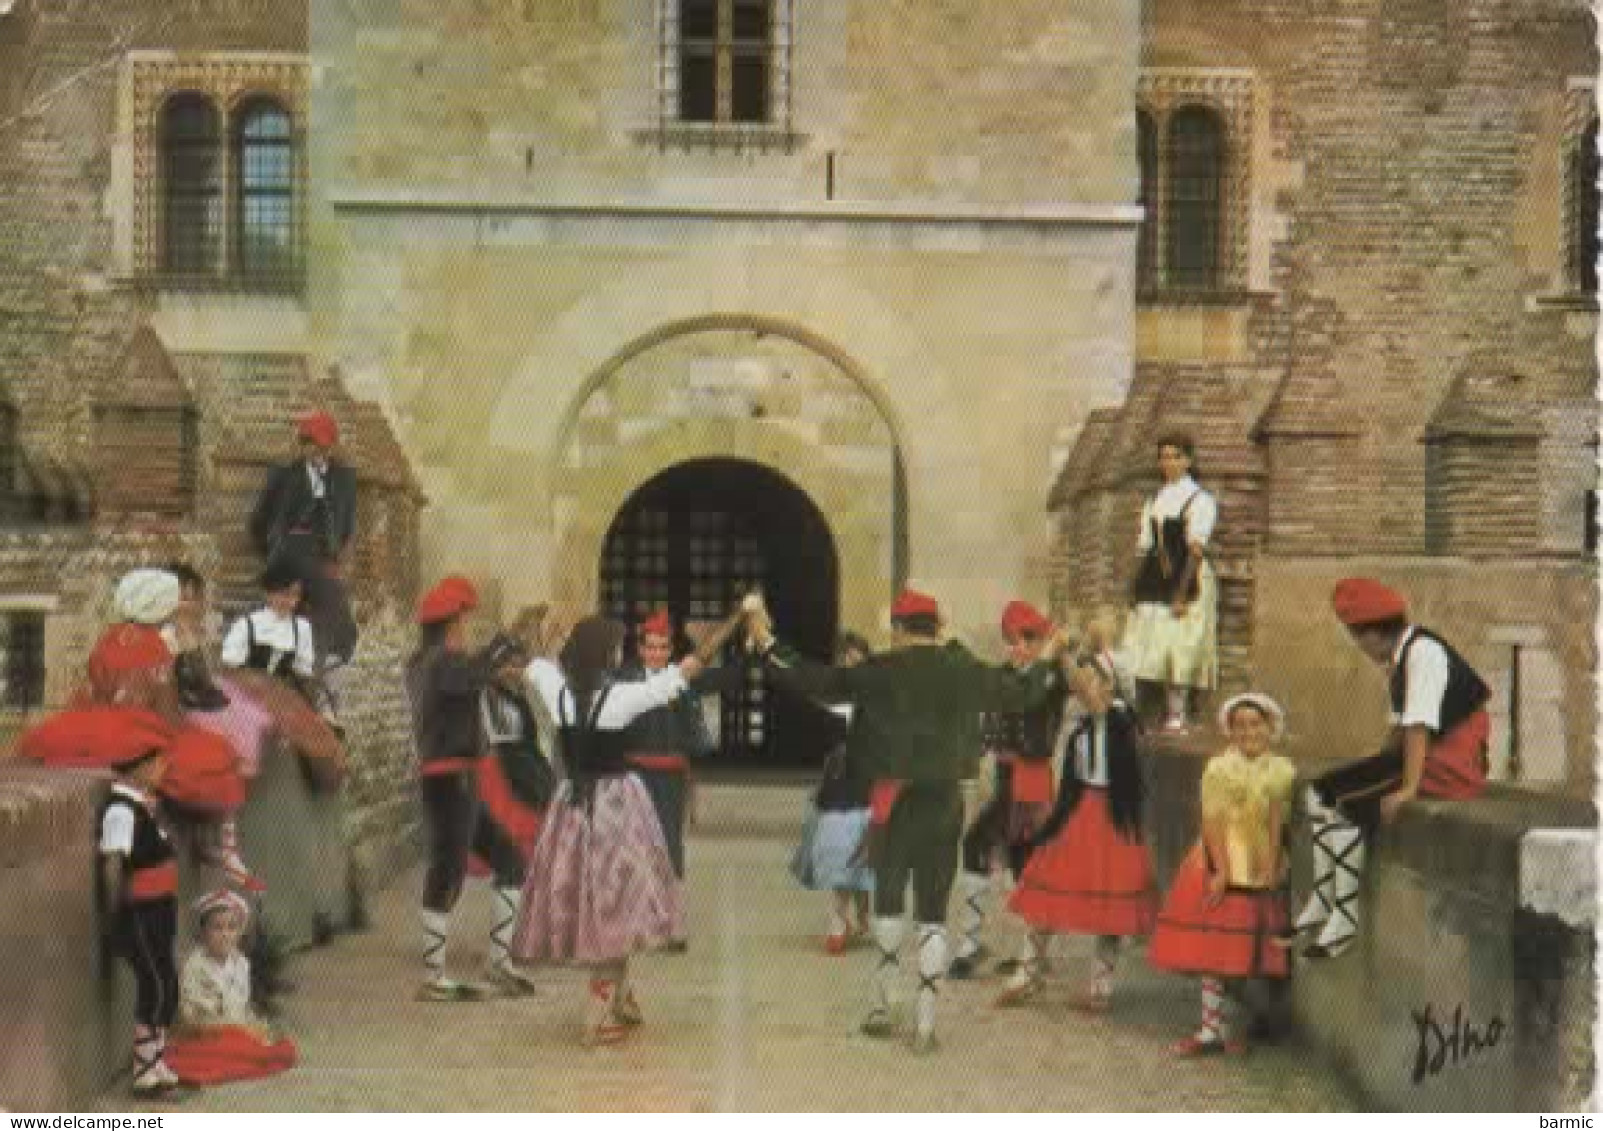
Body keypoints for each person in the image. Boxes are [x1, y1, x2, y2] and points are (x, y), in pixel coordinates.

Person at [749, 590, 1065, 1055]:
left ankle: (881, 1002)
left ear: (898, 629)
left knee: (890, 900)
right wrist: (1050, 655)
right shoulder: (962, 670)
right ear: (937, 627)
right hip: (944, 801)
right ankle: (925, 1019)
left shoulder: (879, 671)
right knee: (934, 909)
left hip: (892, 800)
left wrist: (763, 634)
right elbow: (1020, 691)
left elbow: (811, 679)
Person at [512, 608, 742, 1047]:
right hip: (616, 807)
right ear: (604, 655)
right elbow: (690, 668)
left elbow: (538, 661)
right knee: (616, 907)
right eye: (615, 646)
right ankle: (596, 1019)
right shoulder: (620, 699)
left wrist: (547, 635)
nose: (621, 652)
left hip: (571, 806)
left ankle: (619, 999)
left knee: (595, 904)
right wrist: (730, 625)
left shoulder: (554, 688)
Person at [1292, 578, 1491, 959]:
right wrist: (1373, 765)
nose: (1361, 650)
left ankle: (1344, 919)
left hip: (1447, 764)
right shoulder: (1403, 655)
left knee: (1345, 805)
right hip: (1424, 755)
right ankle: (1323, 896)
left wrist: (1408, 789)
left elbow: (1419, 727)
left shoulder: (1423, 655)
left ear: (1371, 634)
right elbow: (1398, 729)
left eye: (1357, 639)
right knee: (1318, 792)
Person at [406, 577, 542, 1000]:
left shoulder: (428, 661)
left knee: (509, 857)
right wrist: (513, 633)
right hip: (449, 779)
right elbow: (474, 674)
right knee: (447, 868)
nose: (466, 627)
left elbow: (474, 673)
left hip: (459, 778)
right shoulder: (440, 663)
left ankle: (499, 963)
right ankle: (434, 977)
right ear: (451, 622)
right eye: (464, 619)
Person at [996, 652, 1155, 1012]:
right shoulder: (1082, 726)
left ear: (1110, 685)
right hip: (1079, 813)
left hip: (1111, 819)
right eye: (1081, 678)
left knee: (1111, 907)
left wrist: (1065, 656)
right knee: (1047, 888)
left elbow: (1094, 700)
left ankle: (1101, 983)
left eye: (1092, 677)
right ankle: (1028, 971)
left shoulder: (1118, 717)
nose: (1082, 685)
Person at [1148, 693, 1296, 1055]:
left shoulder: (1282, 771)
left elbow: (1278, 820)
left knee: (1248, 949)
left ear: (1268, 727)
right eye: (1240, 725)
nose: (1248, 732)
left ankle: (1244, 1025)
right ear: (1230, 731)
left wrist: (1274, 861)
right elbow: (1212, 819)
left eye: (1255, 724)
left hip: (1260, 864)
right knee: (1214, 949)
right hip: (1222, 861)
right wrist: (1220, 870)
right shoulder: (1218, 768)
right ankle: (1210, 1026)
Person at [950, 600, 1065, 980]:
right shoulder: (1002, 675)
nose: (1021, 647)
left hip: (1032, 779)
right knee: (984, 849)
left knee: (1023, 861)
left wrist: (1058, 655)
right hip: (1004, 775)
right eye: (1015, 639)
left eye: (1029, 639)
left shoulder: (1051, 676)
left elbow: (1035, 699)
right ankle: (978, 943)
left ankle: (1023, 951)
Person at [615, 608, 729, 952]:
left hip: (670, 778)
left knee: (669, 847)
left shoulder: (682, 681)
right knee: (633, 848)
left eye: (663, 647)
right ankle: (635, 925)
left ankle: (673, 925)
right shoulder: (623, 681)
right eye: (651, 647)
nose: (657, 653)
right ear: (640, 648)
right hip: (633, 775)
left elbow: (722, 681)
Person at [163, 563, 273, 893]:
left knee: (252, 717)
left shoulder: (191, 634)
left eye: (192, 597)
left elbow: (204, 679)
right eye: (181, 597)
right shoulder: (168, 637)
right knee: (231, 736)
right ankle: (223, 848)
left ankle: (222, 841)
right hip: (186, 709)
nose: (187, 604)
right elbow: (179, 686)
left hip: (201, 701)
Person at [247, 410, 359, 715]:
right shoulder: (284, 476)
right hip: (290, 551)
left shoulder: (345, 480)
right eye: (312, 445)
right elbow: (258, 522)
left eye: (324, 446)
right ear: (303, 444)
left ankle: (324, 679)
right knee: (324, 607)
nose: (318, 452)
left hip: (323, 557)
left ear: (332, 446)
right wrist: (272, 555)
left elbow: (347, 524)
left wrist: (333, 553)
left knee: (333, 620)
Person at [99, 741, 187, 1099]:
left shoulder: (143, 806)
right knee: (152, 981)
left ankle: (156, 1058)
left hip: (160, 906)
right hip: (141, 909)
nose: (162, 768)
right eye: (156, 762)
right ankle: (143, 1068)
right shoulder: (120, 811)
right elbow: (113, 864)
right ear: (137, 765)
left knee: (166, 979)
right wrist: (113, 913)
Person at [218, 559, 346, 790]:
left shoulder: (301, 628)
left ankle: (316, 786)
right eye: (284, 594)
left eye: (295, 596)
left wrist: (310, 709)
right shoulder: (248, 625)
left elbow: (304, 674)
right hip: (248, 697)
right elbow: (231, 672)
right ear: (269, 593)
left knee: (323, 738)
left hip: (284, 698)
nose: (290, 601)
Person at [1121, 433, 1219, 733]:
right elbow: (1145, 546)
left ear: (1188, 460)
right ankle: (1145, 712)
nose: (1170, 462)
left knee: (1180, 644)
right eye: (1164, 456)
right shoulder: (1154, 500)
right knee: (1148, 641)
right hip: (1156, 576)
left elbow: (1196, 549)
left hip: (1188, 575)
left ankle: (1178, 712)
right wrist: (1133, 585)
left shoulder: (1200, 499)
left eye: (1176, 456)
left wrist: (1180, 593)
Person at [790, 632, 875, 955]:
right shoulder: (829, 698)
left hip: (870, 781)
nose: (851, 664)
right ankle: (838, 922)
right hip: (839, 786)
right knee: (841, 851)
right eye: (846, 658)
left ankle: (863, 915)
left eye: (858, 658)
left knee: (866, 860)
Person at [165, 890, 297, 1085]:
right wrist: (225, 1026)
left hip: (235, 1027)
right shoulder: (195, 966)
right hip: (206, 1031)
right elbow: (190, 1014)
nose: (225, 935)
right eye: (217, 928)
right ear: (203, 933)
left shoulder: (241, 964)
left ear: (239, 933)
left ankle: (244, 1053)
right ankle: (225, 1061)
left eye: (231, 928)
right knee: (224, 1049)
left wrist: (254, 1027)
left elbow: (243, 1005)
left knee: (272, 1045)